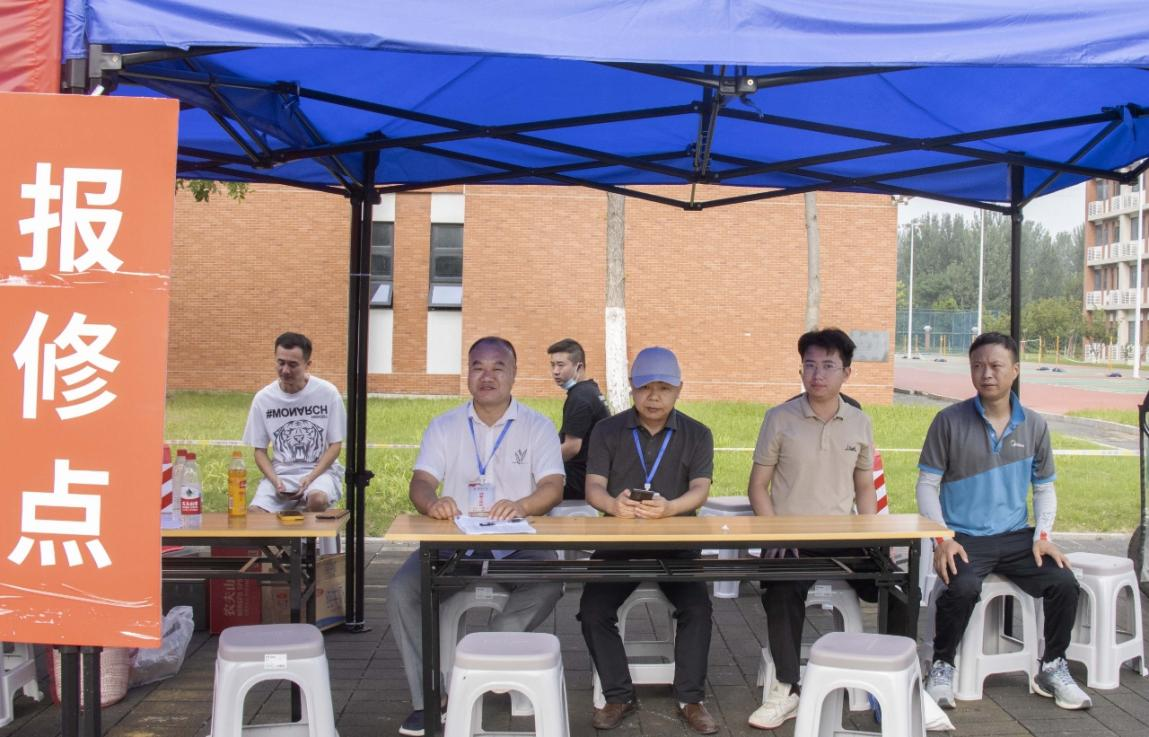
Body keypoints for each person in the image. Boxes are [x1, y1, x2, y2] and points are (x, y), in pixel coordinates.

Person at [387, 336, 566, 736]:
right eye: (477, 367)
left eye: (498, 367)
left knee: (551, 580)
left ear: (514, 374)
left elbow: (553, 486)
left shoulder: (536, 426)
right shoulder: (445, 425)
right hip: (456, 544)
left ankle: (489, 650)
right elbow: (421, 482)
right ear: (467, 374)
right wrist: (432, 502)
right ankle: (430, 699)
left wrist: (522, 505)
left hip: (519, 543)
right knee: (402, 591)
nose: (487, 376)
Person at [919, 332, 1089, 710]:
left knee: (1064, 581)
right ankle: (942, 666)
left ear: (1015, 370)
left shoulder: (1035, 425)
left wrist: (1042, 536)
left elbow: (1044, 488)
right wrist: (942, 539)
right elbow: (927, 485)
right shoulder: (948, 421)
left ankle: (1053, 666)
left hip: (1016, 537)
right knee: (962, 587)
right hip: (964, 537)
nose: (986, 374)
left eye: (996, 365)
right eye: (977, 366)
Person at [746, 328, 883, 730]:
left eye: (827, 366)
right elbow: (758, 486)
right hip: (791, 538)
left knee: (896, 584)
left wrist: (874, 537)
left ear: (847, 373)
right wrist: (775, 534)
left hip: (843, 537)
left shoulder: (859, 422)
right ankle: (787, 687)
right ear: (800, 370)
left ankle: (894, 676)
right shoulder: (779, 418)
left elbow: (864, 488)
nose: (817, 374)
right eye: (809, 365)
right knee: (782, 587)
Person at [578, 346, 718, 734]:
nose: (654, 397)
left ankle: (691, 698)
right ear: (631, 387)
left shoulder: (697, 433)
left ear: (679, 389)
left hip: (677, 542)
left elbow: (700, 489)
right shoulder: (607, 430)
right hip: (618, 543)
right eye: (645, 388)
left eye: (664, 388)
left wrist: (670, 508)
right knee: (592, 610)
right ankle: (618, 695)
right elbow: (593, 487)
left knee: (698, 609)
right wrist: (613, 505)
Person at [242, 332, 345, 513]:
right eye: (281, 363)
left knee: (317, 500)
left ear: (307, 364)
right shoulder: (263, 398)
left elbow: (335, 445)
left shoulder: (328, 393)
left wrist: (310, 478)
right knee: (255, 514)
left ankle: (308, 532)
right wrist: (275, 481)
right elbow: (259, 451)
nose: (285, 371)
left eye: (293, 365)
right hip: (280, 473)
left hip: (320, 472)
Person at [547, 338, 611, 500]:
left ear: (579, 366)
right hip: (592, 474)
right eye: (552, 365)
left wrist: (539, 463)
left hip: (579, 479)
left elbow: (572, 447)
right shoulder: (590, 390)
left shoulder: (580, 398)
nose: (555, 371)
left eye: (561, 365)